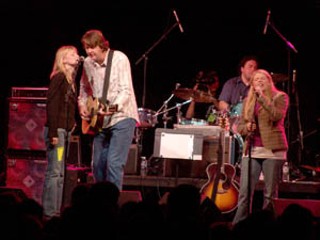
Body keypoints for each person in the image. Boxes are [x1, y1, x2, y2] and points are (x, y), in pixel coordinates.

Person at [78, 29, 139, 190]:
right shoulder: (87, 63)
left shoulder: (119, 58)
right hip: (100, 119)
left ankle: (112, 205)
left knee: (114, 163)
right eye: (86, 48)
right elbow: (84, 89)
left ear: (102, 46)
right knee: (97, 164)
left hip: (122, 116)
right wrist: (82, 105)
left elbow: (126, 90)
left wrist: (111, 108)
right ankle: (101, 199)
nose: (89, 51)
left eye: (93, 47)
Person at [232, 69, 289, 225]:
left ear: (270, 81)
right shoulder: (248, 101)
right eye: (256, 79)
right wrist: (247, 128)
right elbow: (240, 127)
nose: (259, 81)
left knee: (270, 194)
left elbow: (276, 116)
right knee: (244, 193)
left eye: (263, 78)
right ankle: (238, 225)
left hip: (272, 150)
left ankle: (267, 227)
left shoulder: (280, 97)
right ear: (252, 84)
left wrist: (262, 97)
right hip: (252, 149)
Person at [42, 45, 81, 220]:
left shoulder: (71, 81)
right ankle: (50, 212)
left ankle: (56, 211)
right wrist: (53, 134)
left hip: (63, 132)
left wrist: (71, 125)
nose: (77, 56)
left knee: (60, 172)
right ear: (63, 59)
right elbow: (51, 105)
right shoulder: (58, 78)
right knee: (55, 172)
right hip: (56, 132)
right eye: (72, 54)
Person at [218, 55, 259, 120]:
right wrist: (235, 112)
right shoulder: (231, 83)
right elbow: (222, 103)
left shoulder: (258, 86)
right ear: (242, 69)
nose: (253, 69)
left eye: (255, 67)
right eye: (250, 66)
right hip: (234, 121)